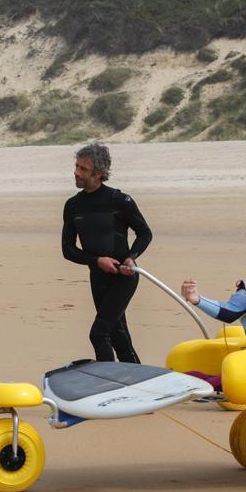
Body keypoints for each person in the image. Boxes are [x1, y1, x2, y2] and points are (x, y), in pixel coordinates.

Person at [61, 142, 153, 363]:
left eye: (83, 169)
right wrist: (96, 261)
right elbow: (68, 250)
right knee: (118, 336)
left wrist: (132, 257)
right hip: (98, 278)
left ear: (99, 173)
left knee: (99, 333)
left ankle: (107, 384)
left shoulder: (120, 201)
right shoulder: (73, 205)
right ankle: (135, 381)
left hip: (123, 277)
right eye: (76, 167)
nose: (76, 172)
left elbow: (144, 233)